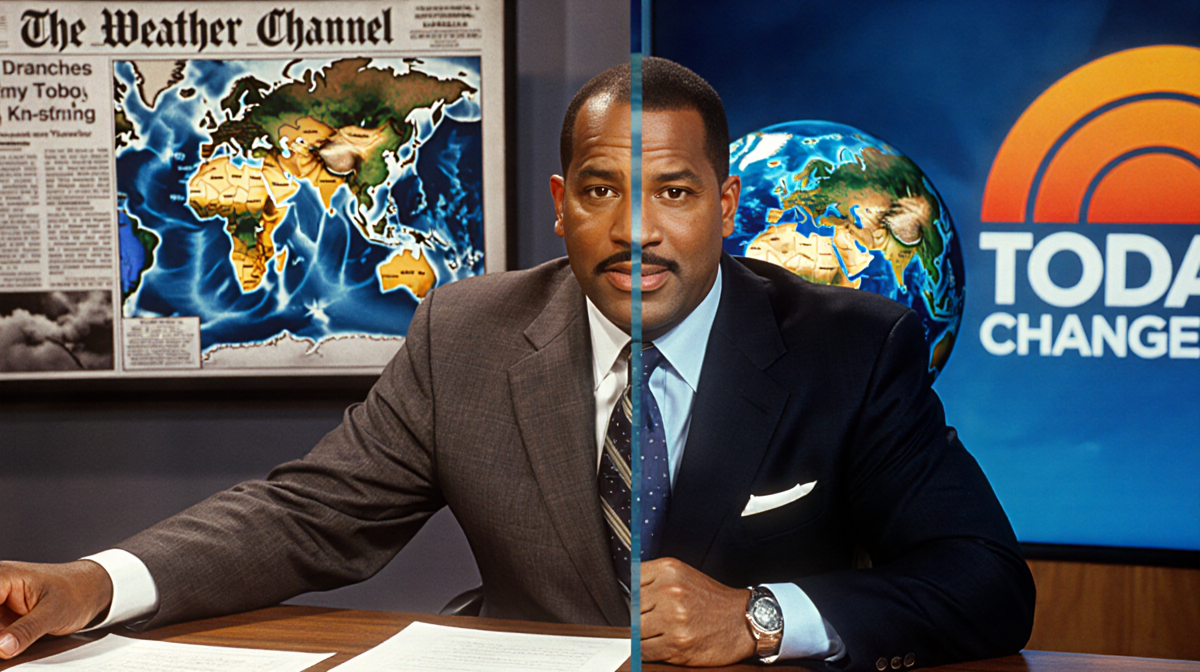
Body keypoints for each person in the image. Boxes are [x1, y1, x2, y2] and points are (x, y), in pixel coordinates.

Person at [0, 58, 1034, 670]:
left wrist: (762, 620)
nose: (636, 230)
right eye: (601, 191)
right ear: (558, 201)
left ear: (725, 208)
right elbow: (307, 514)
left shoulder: (852, 347)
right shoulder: (468, 332)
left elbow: (985, 582)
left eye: (674, 192)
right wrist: (92, 583)